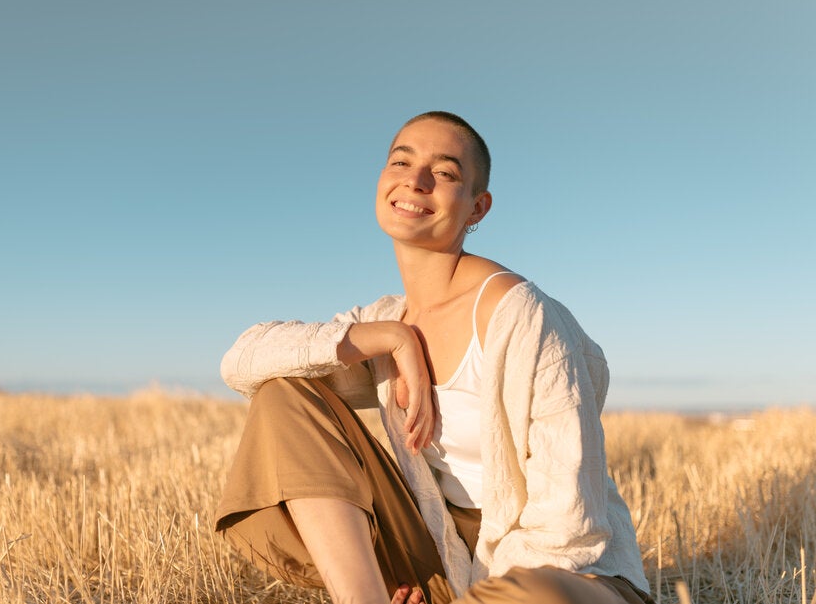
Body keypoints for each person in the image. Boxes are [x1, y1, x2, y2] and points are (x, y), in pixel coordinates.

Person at [215, 112, 654, 604]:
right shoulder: (386, 317)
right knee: (284, 394)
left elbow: (567, 518)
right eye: (400, 161)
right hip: (443, 555)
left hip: (562, 572)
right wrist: (394, 336)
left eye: (444, 173)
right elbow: (243, 359)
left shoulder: (518, 312)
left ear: (477, 208)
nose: (416, 180)